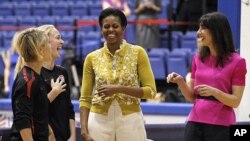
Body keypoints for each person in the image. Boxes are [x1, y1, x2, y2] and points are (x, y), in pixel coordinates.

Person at [166, 12, 247, 141]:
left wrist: (214, 92)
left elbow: (235, 101)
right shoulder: (198, 58)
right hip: (194, 121)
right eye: (199, 28)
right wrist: (181, 82)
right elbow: (192, 97)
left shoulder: (237, 62)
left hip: (221, 125)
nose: (198, 32)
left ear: (217, 31)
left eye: (203, 28)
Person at [79, 8, 157, 141]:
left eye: (115, 26)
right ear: (101, 29)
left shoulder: (138, 53)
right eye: (106, 26)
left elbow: (151, 92)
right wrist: (84, 130)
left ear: (123, 28)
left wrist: (118, 89)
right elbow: (85, 99)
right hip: (98, 121)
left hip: (131, 120)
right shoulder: (92, 57)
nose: (110, 30)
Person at [10, 27, 51, 141]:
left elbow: (38, 113)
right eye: (48, 42)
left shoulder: (36, 76)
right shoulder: (28, 80)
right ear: (41, 50)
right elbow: (23, 120)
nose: (50, 46)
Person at [37, 25, 76, 141]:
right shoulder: (35, 74)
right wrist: (54, 92)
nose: (62, 42)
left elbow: (69, 109)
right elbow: (35, 111)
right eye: (58, 38)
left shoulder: (62, 72)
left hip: (65, 137)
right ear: (45, 43)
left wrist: (73, 136)